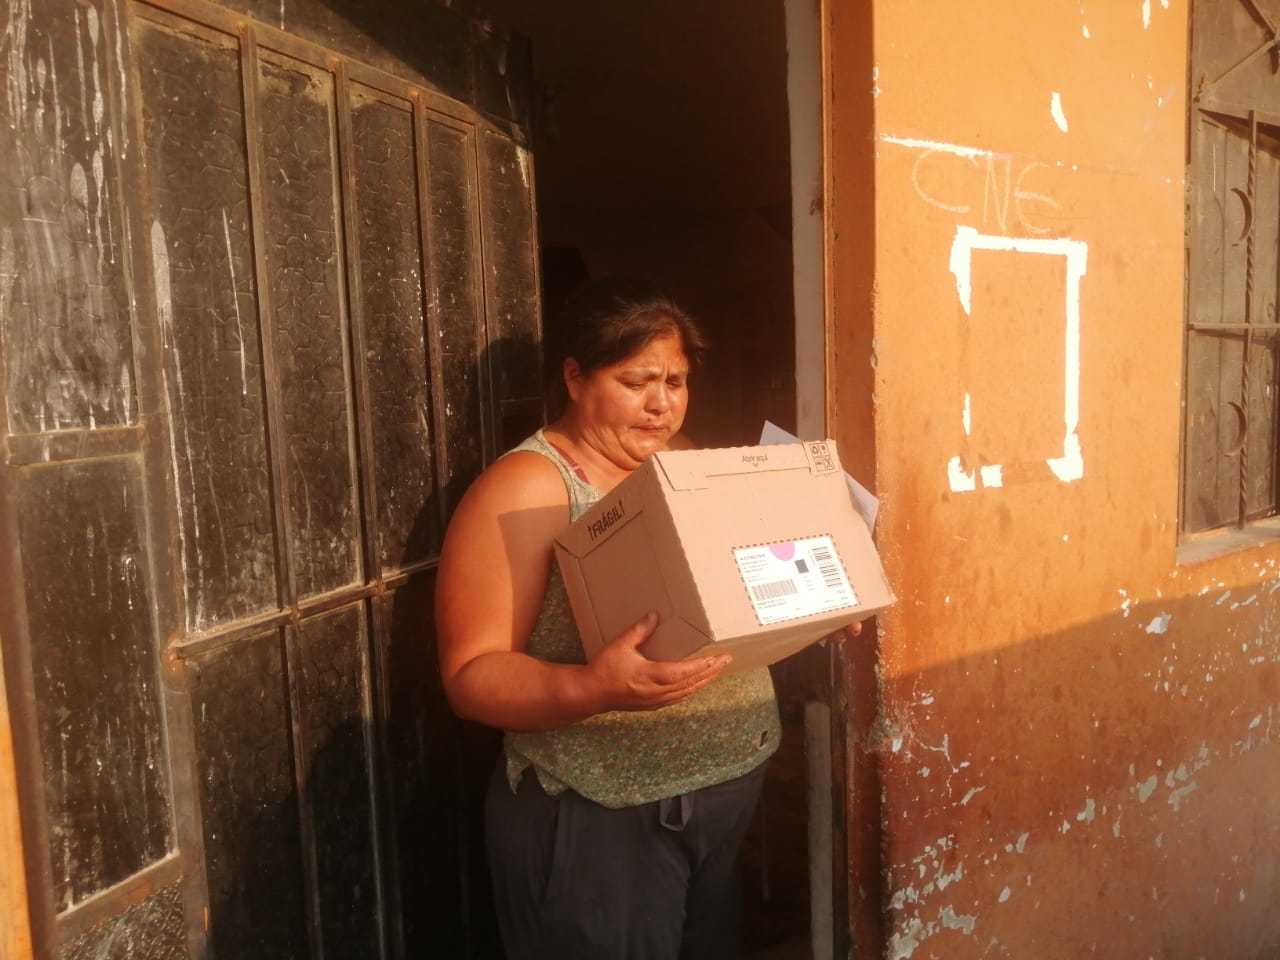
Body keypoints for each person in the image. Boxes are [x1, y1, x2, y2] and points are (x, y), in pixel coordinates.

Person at [436, 278, 782, 958]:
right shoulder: (528, 487)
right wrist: (591, 688)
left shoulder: (681, 462)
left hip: (722, 794)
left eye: (676, 382)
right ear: (574, 378)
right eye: (636, 382)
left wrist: (818, 600)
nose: (662, 404)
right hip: (601, 822)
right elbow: (472, 674)